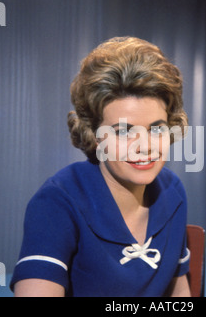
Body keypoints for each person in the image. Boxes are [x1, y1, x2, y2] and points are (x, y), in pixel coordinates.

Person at [10, 37, 191, 297]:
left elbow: (179, 292)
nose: (144, 147)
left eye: (157, 128)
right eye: (123, 132)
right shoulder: (57, 201)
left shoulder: (173, 191)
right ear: (95, 135)